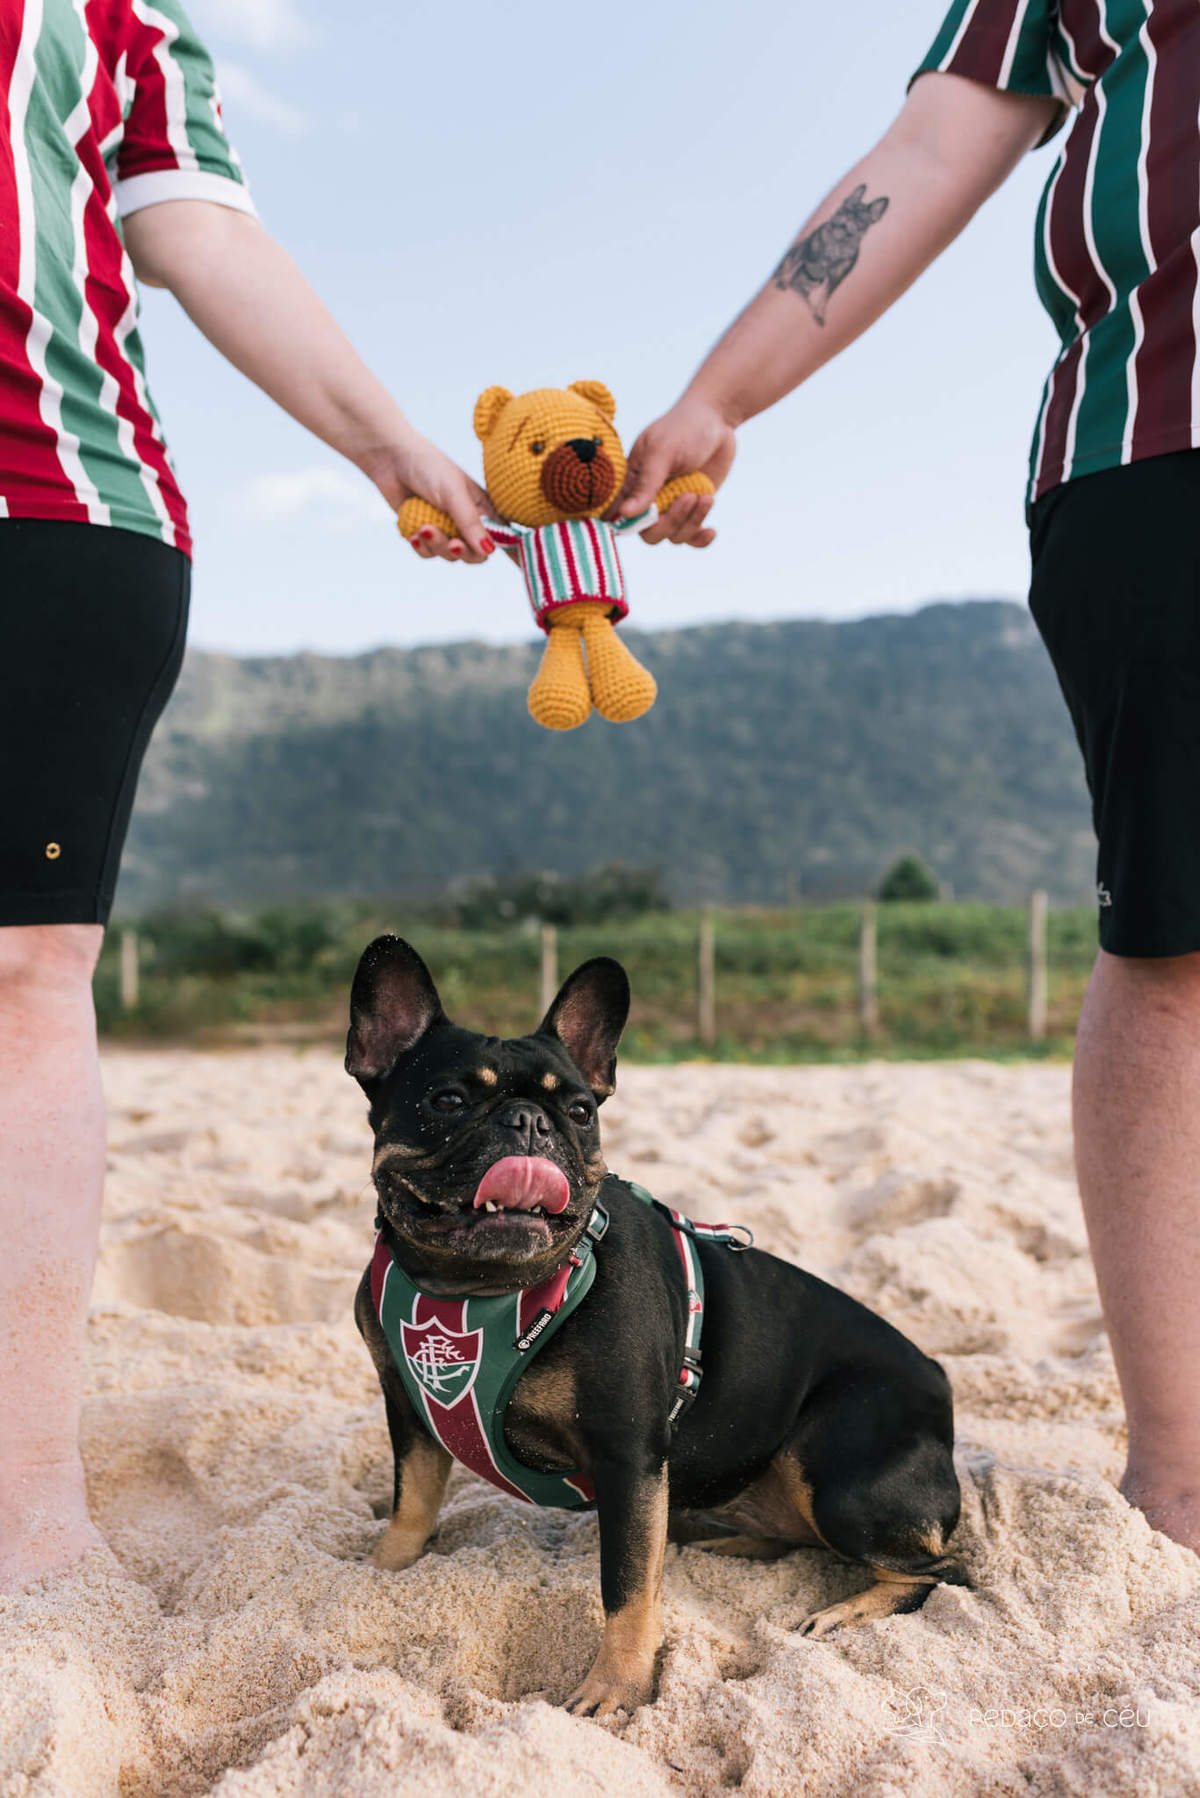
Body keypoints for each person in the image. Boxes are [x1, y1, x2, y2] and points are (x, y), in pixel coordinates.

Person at [621, 0, 1200, 1553]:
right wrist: (723, 392)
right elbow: (939, 141)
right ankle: (1182, 1472)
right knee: (1176, 939)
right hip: (1160, 436)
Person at [0, 0, 511, 1590]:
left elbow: (201, 228)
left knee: (21, 980)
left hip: (48, 499)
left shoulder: (117, 14)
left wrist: (392, 448)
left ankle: (25, 1503)